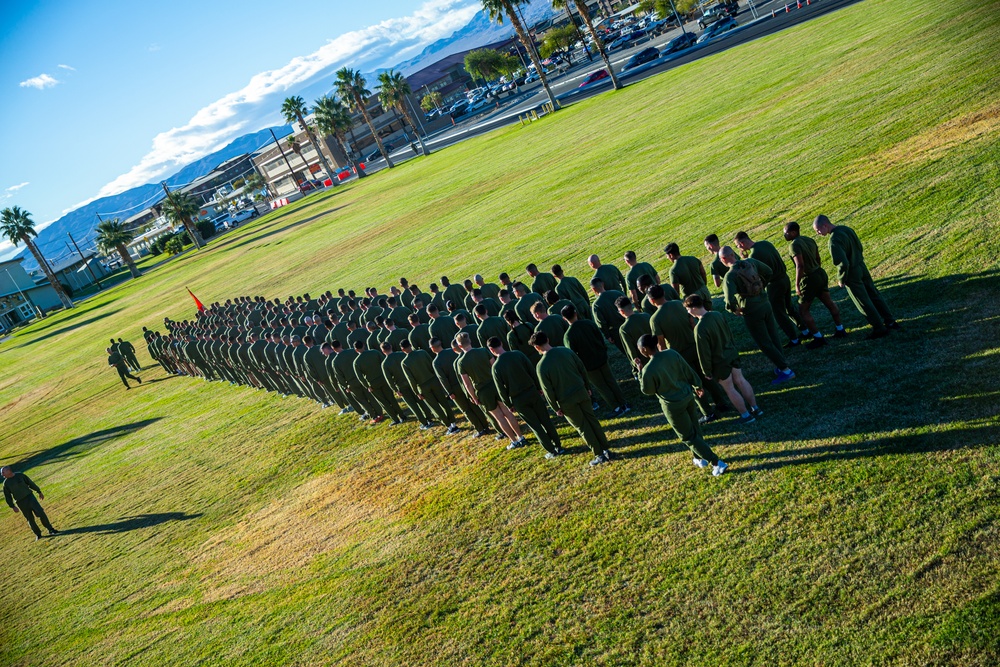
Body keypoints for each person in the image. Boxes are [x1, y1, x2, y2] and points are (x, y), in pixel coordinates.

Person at [636, 335, 728, 476]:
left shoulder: (649, 370)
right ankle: (699, 457)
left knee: (688, 437)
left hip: (673, 406)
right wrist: (697, 385)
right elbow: (687, 369)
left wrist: (640, 371)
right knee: (695, 429)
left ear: (644, 349)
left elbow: (648, 390)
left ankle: (716, 462)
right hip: (687, 396)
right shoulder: (671, 353)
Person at [531, 331, 614, 467]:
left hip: (566, 401)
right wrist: (587, 387)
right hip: (581, 392)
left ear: (536, 347)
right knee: (592, 420)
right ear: (548, 339)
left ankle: (599, 454)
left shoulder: (541, 366)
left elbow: (548, 391)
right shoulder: (565, 351)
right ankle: (606, 448)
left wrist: (555, 407)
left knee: (583, 427)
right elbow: (581, 368)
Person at [647, 285, 730, 422]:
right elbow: (692, 323)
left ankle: (708, 412)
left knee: (693, 382)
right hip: (695, 346)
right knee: (706, 376)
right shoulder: (679, 304)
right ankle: (721, 402)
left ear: (651, 300)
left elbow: (660, 343)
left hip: (679, 355)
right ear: (663, 293)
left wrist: (666, 360)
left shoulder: (655, 319)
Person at [718, 245, 796, 385]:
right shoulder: (751, 262)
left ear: (723, 259)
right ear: (733, 254)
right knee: (773, 335)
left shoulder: (730, 276)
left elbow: (729, 300)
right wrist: (761, 286)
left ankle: (785, 370)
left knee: (764, 342)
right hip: (765, 302)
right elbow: (769, 271)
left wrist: (734, 310)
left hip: (751, 309)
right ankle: (781, 363)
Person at [814, 214, 899, 339]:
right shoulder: (846, 229)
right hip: (861, 266)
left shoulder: (834, 240)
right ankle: (890, 321)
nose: (818, 234)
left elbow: (842, 263)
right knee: (874, 294)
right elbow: (859, 247)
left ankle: (879, 328)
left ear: (825, 225)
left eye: (818, 230)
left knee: (863, 301)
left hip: (852, 273)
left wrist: (841, 279)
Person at [685, 294, 762, 425]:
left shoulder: (699, 328)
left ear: (692, 308)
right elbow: (729, 333)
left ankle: (746, 415)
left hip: (720, 362)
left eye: (687, 309)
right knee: (741, 381)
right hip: (731, 353)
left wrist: (706, 371)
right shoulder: (717, 314)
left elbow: (704, 353)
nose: (688, 312)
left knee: (730, 388)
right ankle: (756, 408)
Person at [488, 338, 564, 458]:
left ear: (491, 350)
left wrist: (508, 405)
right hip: (532, 391)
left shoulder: (496, 367)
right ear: (501, 343)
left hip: (518, 399)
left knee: (535, 426)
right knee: (545, 420)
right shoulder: (518, 354)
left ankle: (551, 450)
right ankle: (558, 445)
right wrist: (538, 387)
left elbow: (501, 389)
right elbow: (532, 371)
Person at [734, 231, 803, 348]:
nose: (738, 248)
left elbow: (754, 275)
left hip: (774, 284)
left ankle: (794, 339)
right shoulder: (766, 243)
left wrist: (746, 259)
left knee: (779, 313)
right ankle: (805, 330)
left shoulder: (753, 255)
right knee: (789, 306)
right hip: (784, 278)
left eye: (737, 246)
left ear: (741, 244)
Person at [456, 332, 526, 449]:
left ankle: (513, 440)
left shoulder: (461, 362)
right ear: (470, 341)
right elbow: (495, 367)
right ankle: (520, 437)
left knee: (499, 417)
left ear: (459, 346)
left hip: (482, 391)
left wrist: (474, 398)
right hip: (495, 385)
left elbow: (467, 384)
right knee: (508, 413)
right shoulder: (483, 351)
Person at [783, 221, 846, 347]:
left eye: (786, 233)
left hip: (809, 279)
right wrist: (817, 269)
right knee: (829, 303)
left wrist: (796, 284)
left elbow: (800, 265)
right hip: (820, 273)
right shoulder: (809, 240)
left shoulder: (794, 245)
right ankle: (840, 329)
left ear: (794, 232)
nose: (785, 235)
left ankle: (818, 338)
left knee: (803, 310)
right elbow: (818, 258)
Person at [562, 304, 630, 417]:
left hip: (588, 366)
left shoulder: (568, 335)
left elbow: (573, 355)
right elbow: (600, 337)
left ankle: (616, 407)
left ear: (564, 318)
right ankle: (624, 403)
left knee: (602, 387)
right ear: (576, 313)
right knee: (611, 381)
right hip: (601, 357)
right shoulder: (589, 323)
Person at [430, 337, 492, 436]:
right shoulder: (452, 351)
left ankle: (480, 429)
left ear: (432, 348)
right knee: (474, 405)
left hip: (454, 388)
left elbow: (443, 379)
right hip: (466, 382)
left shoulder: (436, 362)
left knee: (466, 410)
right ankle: (486, 425)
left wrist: (449, 392)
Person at [400, 340, 460, 434]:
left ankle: (449, 426)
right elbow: (432, 365)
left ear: (402, 349)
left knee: (435, 407)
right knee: (444, 402)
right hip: (433, 380)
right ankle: (453, 422)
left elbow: (411, 379)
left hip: (423, 386)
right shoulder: (422, 352)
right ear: (411, 345)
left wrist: (417, 392)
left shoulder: (405, 362)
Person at [381, 342, 434, 429]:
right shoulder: (402, 354)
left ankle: (424, 422)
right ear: (391, 346)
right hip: (412, 381)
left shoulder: (385, 364)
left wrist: (395, 390)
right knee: (420, 400)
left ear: (383, 351)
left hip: (401, 386)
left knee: (413, 405)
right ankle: (429, 417)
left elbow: (389, 379)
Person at [353, 341, 405, 425]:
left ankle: (395, 419)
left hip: (373, 384)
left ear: (356, 350)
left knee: (383, 402)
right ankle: (402, 415)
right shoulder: (374, 352)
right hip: (383, 379)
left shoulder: (356, 362)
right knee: (391, 398)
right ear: (364, 345)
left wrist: (367, 386)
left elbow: (360, 377)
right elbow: (384, 363)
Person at [2, 466, 58, 540]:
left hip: (30, 498)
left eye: (3, 472)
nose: (2, 474)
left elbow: (30, 483)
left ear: (9, 471)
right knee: (30, 519)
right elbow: (7, 496)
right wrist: (12, 506)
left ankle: (50, 529)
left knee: (41, 513)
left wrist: (38, 491)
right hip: (20, 502)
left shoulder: (20, 475)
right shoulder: (6, 484)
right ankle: (38, 535)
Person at [664, 243, 713, 308]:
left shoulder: (673, 270)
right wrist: (704, 285)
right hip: (704, 290)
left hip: (692, 298)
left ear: (670, 255)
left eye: (667, 256)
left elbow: (676, 290)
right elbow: (703, 273)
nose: (667, 258)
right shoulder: (693, 258)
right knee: (710, 312)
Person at [615, 296, 652, 377]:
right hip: (656, 353)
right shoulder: (646, 316)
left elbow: (630, 350)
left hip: (644, 362)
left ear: (621, 311)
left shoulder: (624, 329)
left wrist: (636, 366)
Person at [590, 277, 627, 354]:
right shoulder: (617, 293)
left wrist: (608, 336)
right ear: (603, 284)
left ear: (593, 290)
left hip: (616, 332)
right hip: (628, 322)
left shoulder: (596, 305)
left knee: (628, 352)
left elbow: (601, 323)